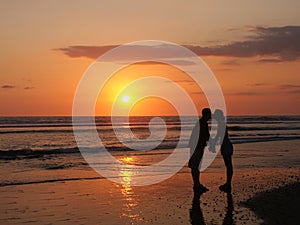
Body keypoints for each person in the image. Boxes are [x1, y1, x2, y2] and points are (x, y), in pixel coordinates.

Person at [188, 108, 211, 194]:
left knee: (196, 166)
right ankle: (196, 185)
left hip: (198, 147)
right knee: (195, 166)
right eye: (209, 114)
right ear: (205, 114)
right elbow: (205, 136)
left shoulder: (202, 123)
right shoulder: (202, 123)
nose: (211, 116)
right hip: (197, 147)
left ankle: (197, 184)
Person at [213, 109, 234, 193]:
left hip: (225, 146)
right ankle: (228, 183)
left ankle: (228, 184)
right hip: (226, 145)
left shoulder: (221, 124)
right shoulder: (222, 124)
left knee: (228, 165)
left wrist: (212, 143)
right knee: (228, 165)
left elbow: (219, 136)